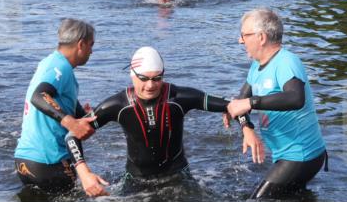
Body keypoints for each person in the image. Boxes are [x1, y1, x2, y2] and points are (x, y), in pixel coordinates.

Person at [69, 46, 261, 192]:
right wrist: (84, 173)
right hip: (135, 180)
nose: (151, 85)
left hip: (178, 177)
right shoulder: (118, 105)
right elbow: (72, 135)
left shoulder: (178, 97)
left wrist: (247, 128)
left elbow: (233, 104)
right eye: (144, 78)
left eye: (157, 78)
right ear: (132, 76)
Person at [226, 8, 328, 199]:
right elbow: (240, 103)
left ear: (261, 37)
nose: (240, 41)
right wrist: (247, 128)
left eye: (244, 35)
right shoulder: (257, 65)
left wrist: (251, 102)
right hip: (284, 154)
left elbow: (296, 98)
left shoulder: (287, 62)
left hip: (302, 155)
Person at [14, 18, 106, 196]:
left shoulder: (48, 63)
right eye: (91, 45)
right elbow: (39, 96)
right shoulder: (61, 67)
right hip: (49, 162)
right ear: (80, 44)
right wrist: (72, 123)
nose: (92, 51)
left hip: (24, 161)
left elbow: (59, 101)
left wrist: (81, 114)